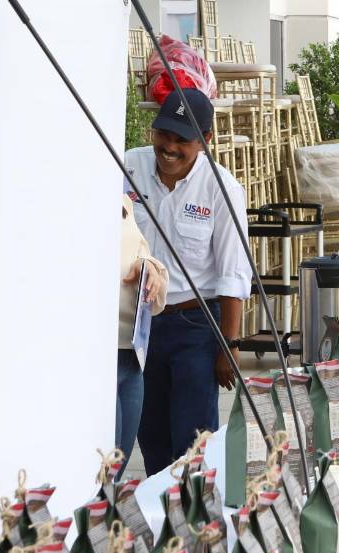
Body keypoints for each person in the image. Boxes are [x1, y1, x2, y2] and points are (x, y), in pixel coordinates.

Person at [124, 88, 251, 474]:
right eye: (164, 135)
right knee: (152, 438)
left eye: (183, 140)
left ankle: (198, 524)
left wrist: (228, 347)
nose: (170, 147)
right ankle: (166, 529)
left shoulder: (222, 189)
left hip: (195, 326)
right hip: (140, 325)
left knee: (194, 444)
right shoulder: (128, 166)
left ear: (206, 141)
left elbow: (233, 272)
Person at [117, 195, 169, 474]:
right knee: (101, 471)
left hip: (132, 351)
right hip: (100, 352)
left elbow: (140, 252)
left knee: (116, 471)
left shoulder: (123, 197)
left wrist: (148, 268)